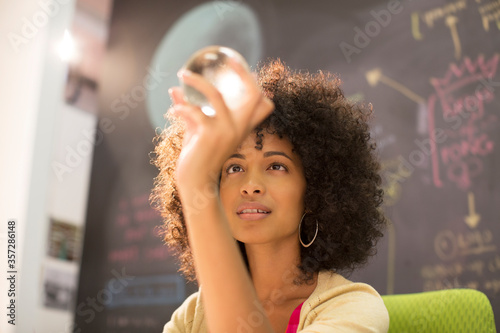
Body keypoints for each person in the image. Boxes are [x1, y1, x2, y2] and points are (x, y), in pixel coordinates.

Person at [151, 58, 389, 332]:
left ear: (315, 192)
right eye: (234, 167)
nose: (250, 185)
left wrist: (194, 183)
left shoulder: (354, 307)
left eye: (276, 166)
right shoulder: (191, 317)